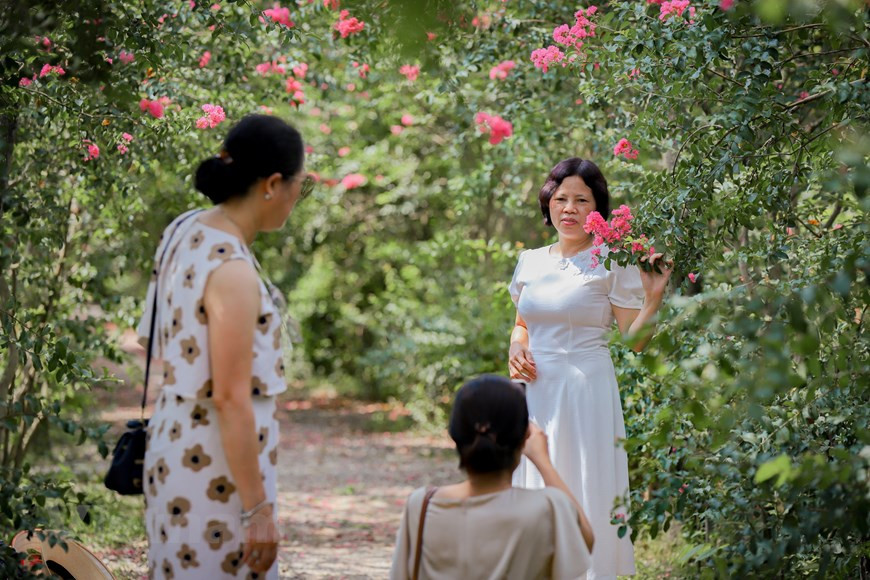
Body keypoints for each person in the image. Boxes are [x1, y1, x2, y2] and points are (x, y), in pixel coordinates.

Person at [138, 114, 312, 579]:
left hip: (173, 445)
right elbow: (229, 397)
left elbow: (152, 336)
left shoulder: (184, 230)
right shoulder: (231, 270)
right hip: (214, 469)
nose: (299, 197)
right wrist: (257, 511)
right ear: (273, 184)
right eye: (301, 184)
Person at [508, 157, 672, 579]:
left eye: (582, 200)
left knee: (585, 482)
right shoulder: (530, 260)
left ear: (597, 208)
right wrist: (516, 346)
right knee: (537, 484)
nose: (569, 209)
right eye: (561, 198)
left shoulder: (610, 261)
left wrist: (652, 299)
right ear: (548, 203)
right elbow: (524, 323)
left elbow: (633, 341)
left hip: (586, 390)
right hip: (535, 393)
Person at [391, 374, 594, 580]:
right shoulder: (546, 508)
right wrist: (544, 462)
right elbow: (586, 541)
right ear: (524, 437)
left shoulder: (422, 506)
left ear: (455, 435)